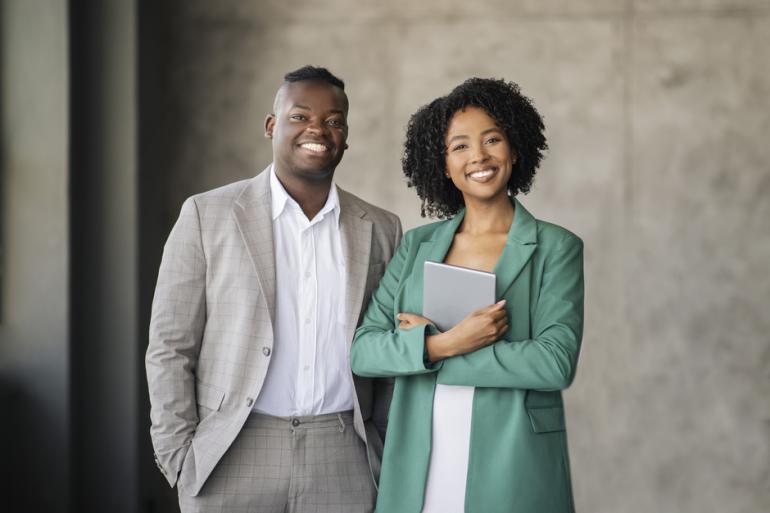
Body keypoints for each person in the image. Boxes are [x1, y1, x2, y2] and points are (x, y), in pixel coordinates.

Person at [146, 65, 402, 513]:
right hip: (233, 451)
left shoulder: (381, 228)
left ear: (346, 135)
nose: (318, 129)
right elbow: (170, 345)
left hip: (344, 453)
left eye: (334, 120)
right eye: (300, 116)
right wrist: (178, 455)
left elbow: (388, 351)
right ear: (271, 126)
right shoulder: (208, 215)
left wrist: (382, 445)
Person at [350, 77, 584, 513]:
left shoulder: (557, 247)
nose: (478, 156)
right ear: (442, 164)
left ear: (515, 149)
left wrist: (434, 354)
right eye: (459, 146)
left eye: (492, 139)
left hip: (513, 460)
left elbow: (554, 363)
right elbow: (364, 352)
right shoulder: (416, 245)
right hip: (419, 454)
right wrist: (447, 343)